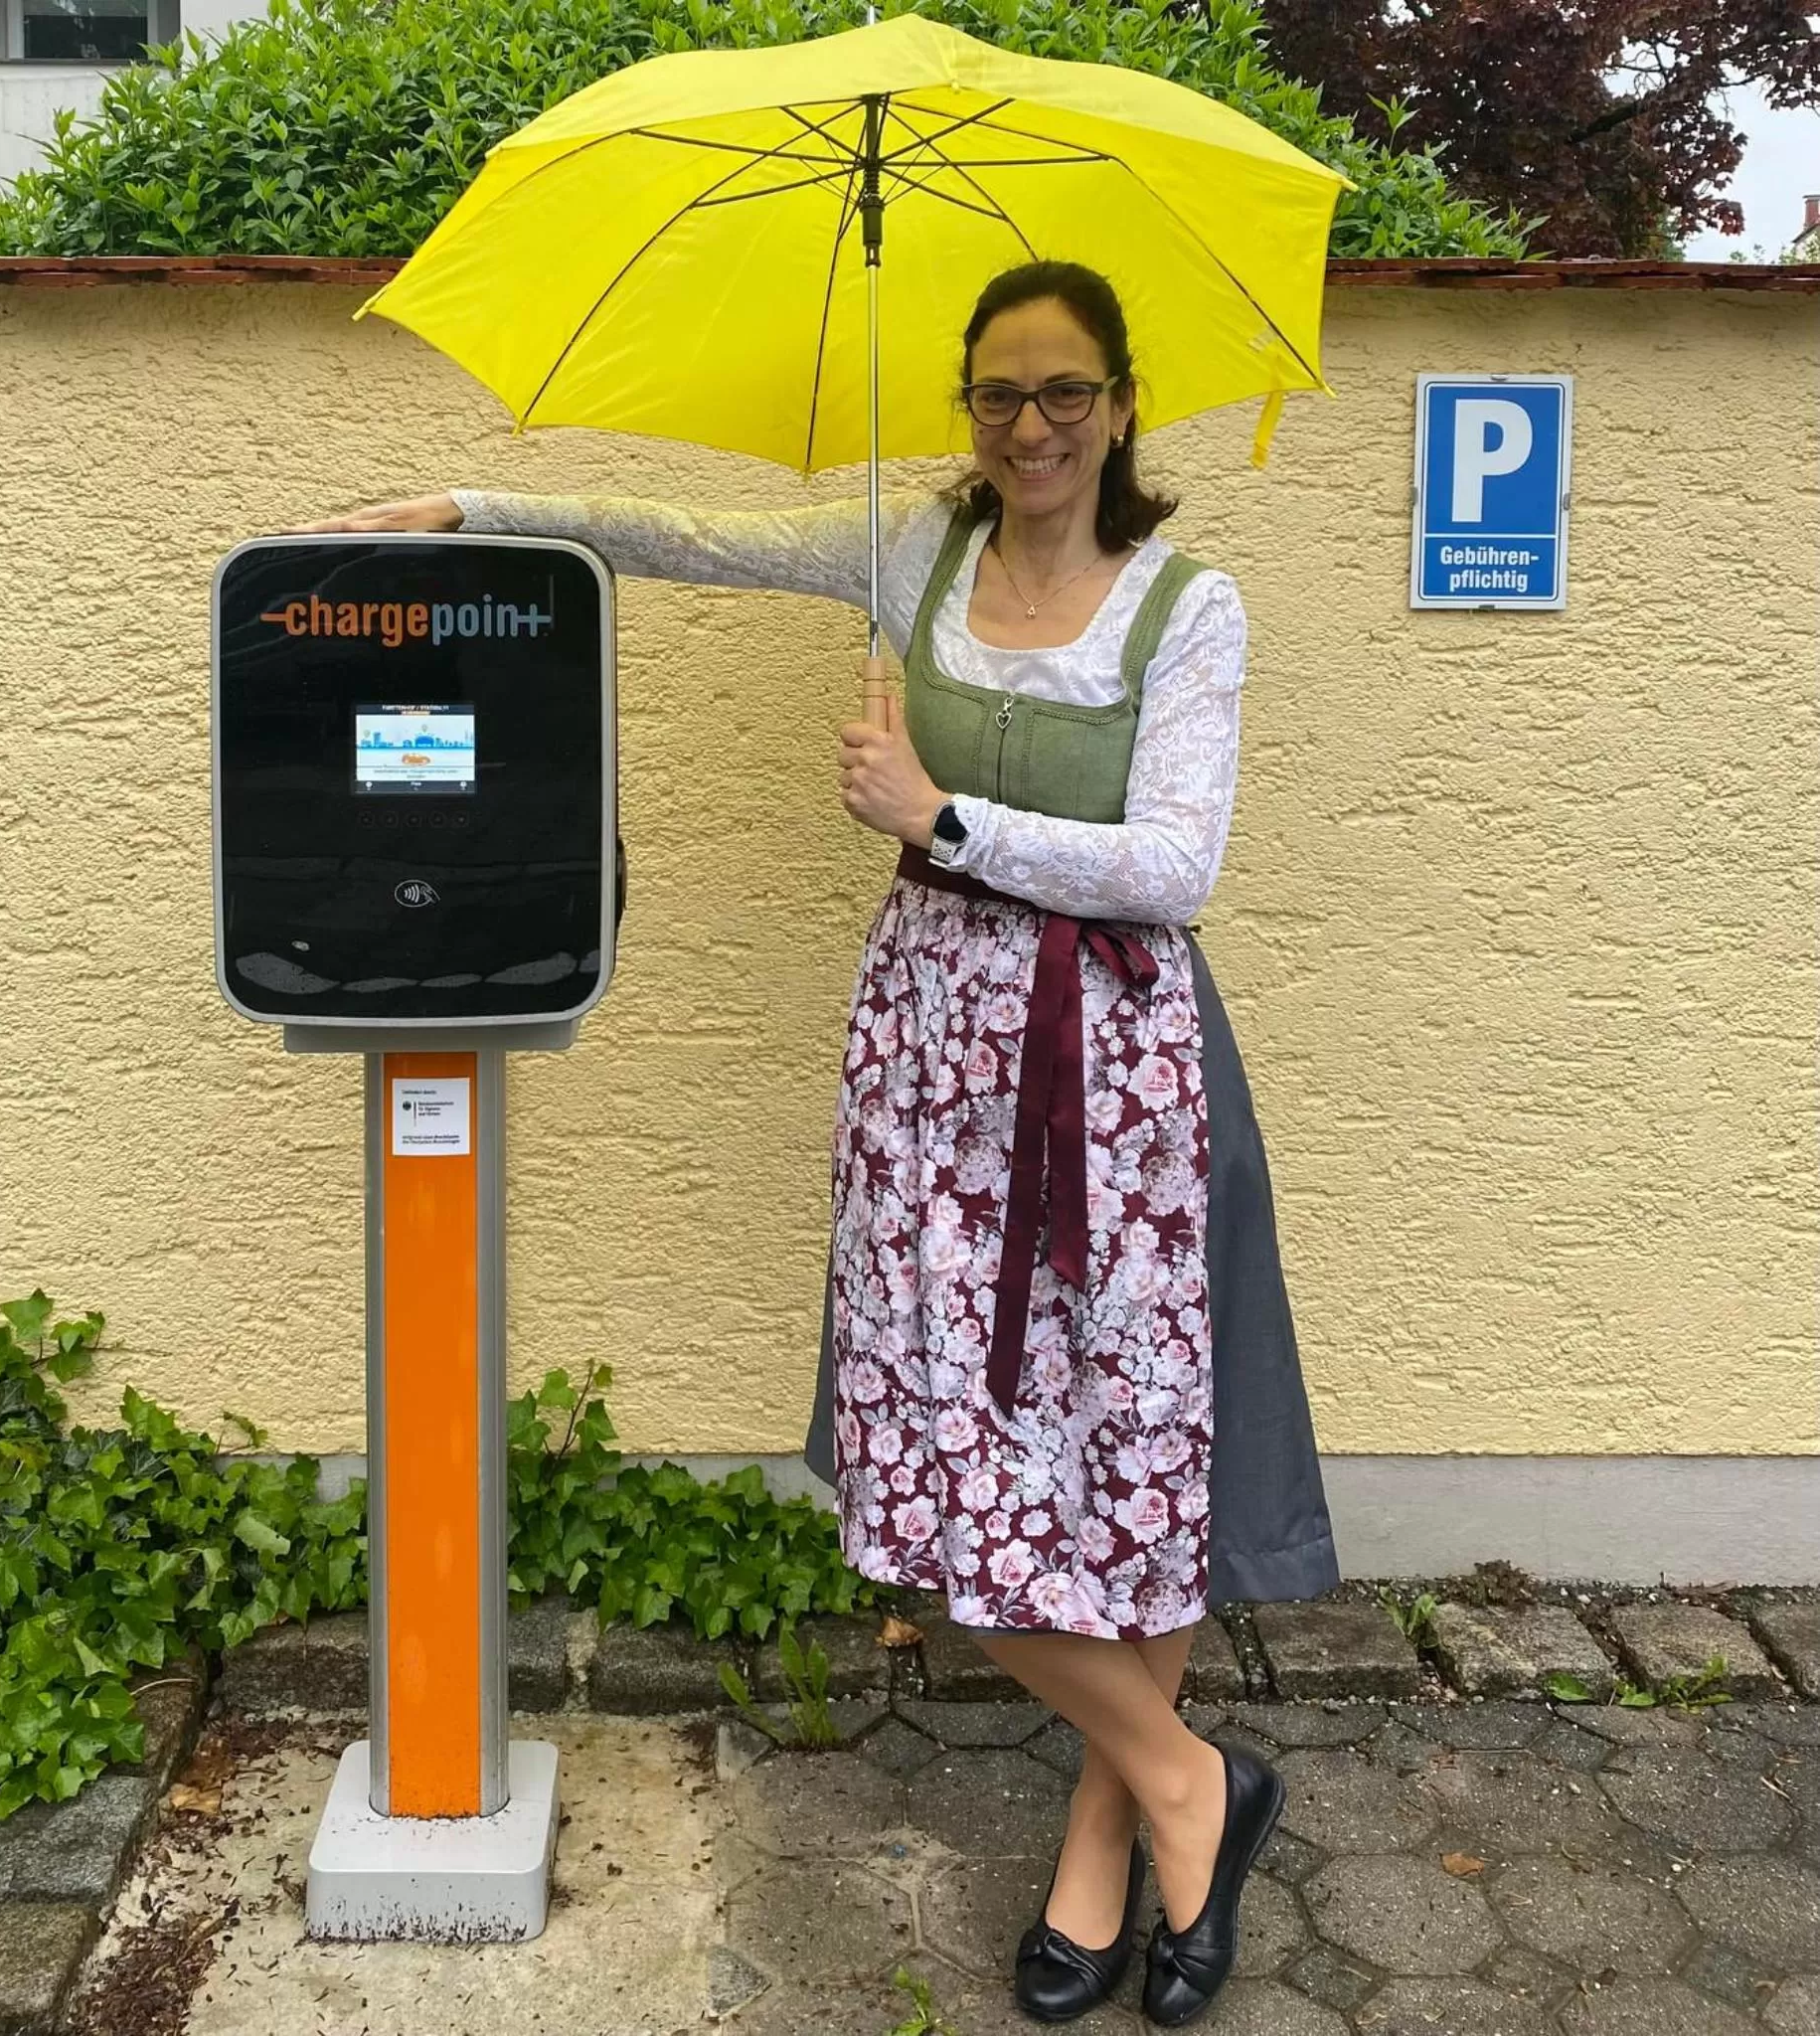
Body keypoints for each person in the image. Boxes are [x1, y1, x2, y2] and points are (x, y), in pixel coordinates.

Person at [290, 258, 1337, 2028]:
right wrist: (474, 511)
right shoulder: (907, 553)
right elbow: (681, 536)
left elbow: (1177, 867)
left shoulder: (1190, 606)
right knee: (949, 1460)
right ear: (966, 408)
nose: (1030, 427)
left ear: (1118, 400)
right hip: (934, 1061)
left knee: (1116, 1452)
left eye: (1063, 391)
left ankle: (1119, 1838)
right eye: (998, 394)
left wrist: (939, 814)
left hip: (1119, 1076)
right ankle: (1190, 1787)